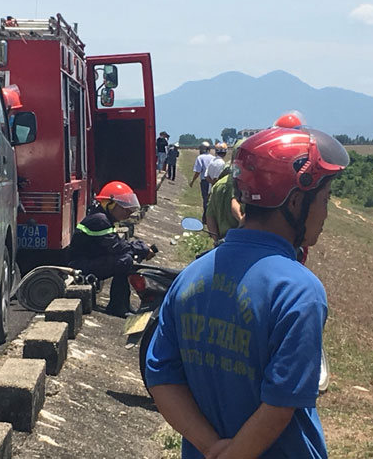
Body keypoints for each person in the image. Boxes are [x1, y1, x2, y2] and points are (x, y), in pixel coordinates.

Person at [145, 126, 349, 459]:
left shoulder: (191, 276)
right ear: (296, 201)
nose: (325, 214)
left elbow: (161, 376)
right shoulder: (299, 291)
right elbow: (281, 401)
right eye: (324, 200)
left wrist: (212, 447)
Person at [69, 181, 155, 317]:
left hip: (88, 260)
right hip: (80, 265)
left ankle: (123, 304)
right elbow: (117, 247)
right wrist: (141, 248)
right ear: (111, 204)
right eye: (125, 208)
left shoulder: (103, 218)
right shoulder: (100, 220)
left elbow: (118, 244)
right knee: (124, 260)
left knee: (126, 258)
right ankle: (117, 306)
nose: (129, 212)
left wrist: (138, 248)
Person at [205, 139, 245, 241]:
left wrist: (216, 240)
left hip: (223, 241)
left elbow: (209, 217)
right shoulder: (253, 186)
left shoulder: (219, 185)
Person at [189, 141, 215, 222]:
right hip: (212, 180)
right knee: (211, 199)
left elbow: (198, 171)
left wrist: (193, 181)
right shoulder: (213, 158)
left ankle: (206, 218)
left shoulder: (200, 158)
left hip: (204, 181)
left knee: (205, 199)